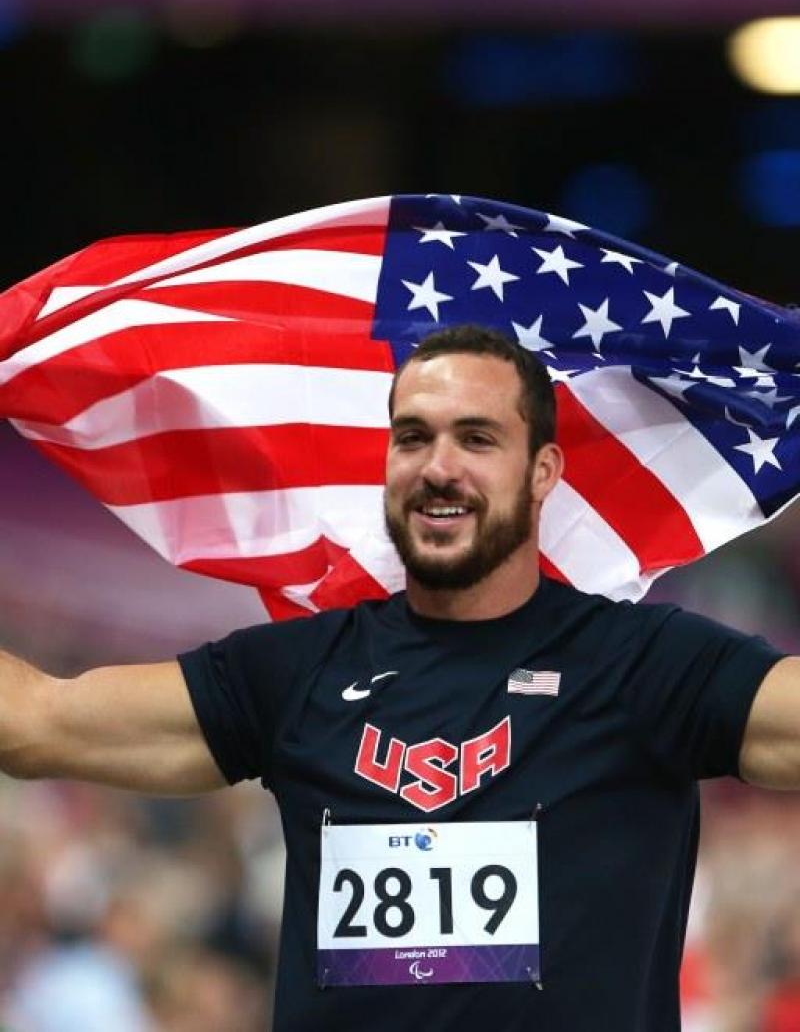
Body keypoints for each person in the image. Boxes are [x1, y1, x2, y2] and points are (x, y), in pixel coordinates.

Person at [1, 324, 799, 1032]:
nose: (438, 468)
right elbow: (37, 721)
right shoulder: (299, 670)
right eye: (412, 437)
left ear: (543, 470)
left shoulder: (641, 665)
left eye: (477, 439)